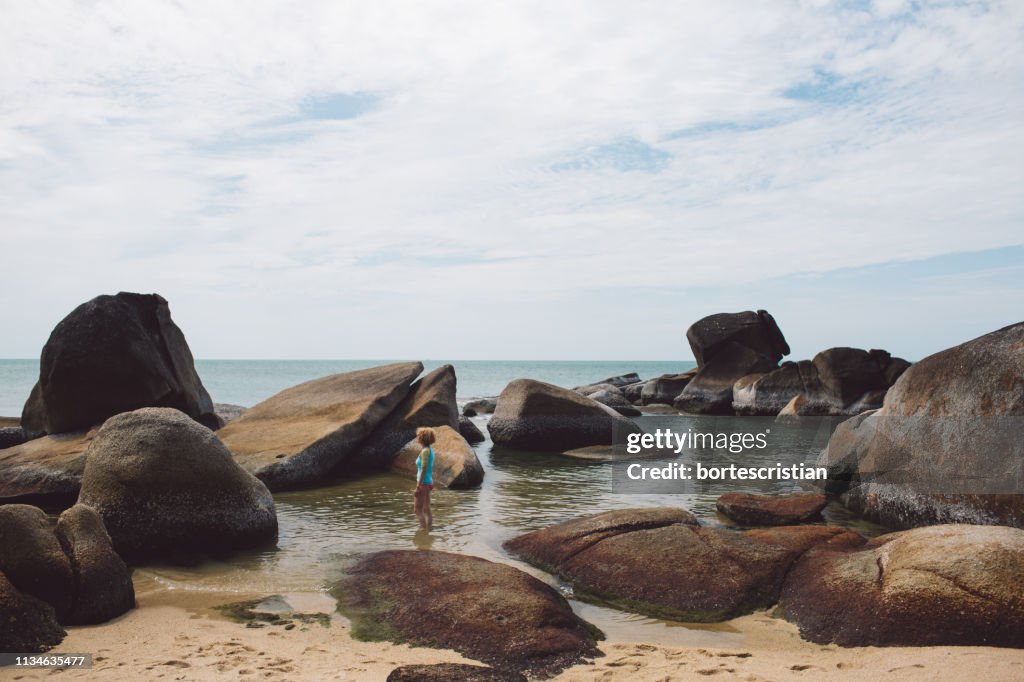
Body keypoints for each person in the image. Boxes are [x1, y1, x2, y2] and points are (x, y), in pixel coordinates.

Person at [413, 427, 436, 530]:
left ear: (421, 438)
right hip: (428, 482)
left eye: (418, 436)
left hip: (424, 483)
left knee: (417, 510)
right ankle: (429, 529)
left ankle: (423, 533)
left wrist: (418, 486)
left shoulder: (425, 451)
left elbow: (424, 468)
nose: (417, 437)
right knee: (426, 508)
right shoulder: (430, 449)